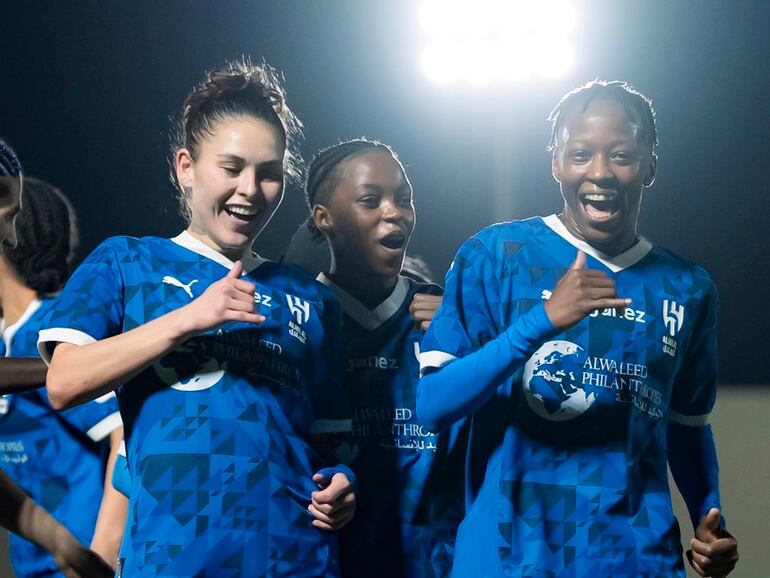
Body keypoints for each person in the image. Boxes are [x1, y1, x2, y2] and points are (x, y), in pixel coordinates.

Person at [37, 60, 356, 577]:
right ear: (186, 166)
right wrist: (189, 317)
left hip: (295, 559)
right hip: (175, 558)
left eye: (269, 173)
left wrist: (342, 483)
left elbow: (328, 441)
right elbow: (63, 382)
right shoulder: (127, 261)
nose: (250, 189)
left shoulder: (311, 298)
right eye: (231, 168)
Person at [417, 81, 739, 577]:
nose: (600, 173)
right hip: (507, 558)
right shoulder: (496, 254)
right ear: (555, 162)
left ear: (649, 166)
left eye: (622, 155)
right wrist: (540, 322)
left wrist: (707, 517)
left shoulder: (687, 287)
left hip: (635, 560)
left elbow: (688, 425)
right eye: (581, 154)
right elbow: (433, 403)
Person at [306, 139, 461, 577]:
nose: (395, 212)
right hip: (327, 562)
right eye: (371, 200)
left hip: (434, 563)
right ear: (324, 217)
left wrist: (468, 345)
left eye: (404, 199)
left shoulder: (448, 314)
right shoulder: (296, 316)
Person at [0, 178, 125, 575]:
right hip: (34, 561)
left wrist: (102, 554)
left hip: (78, 564)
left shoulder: (53, 332)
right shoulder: (8, 336)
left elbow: (124, 436)